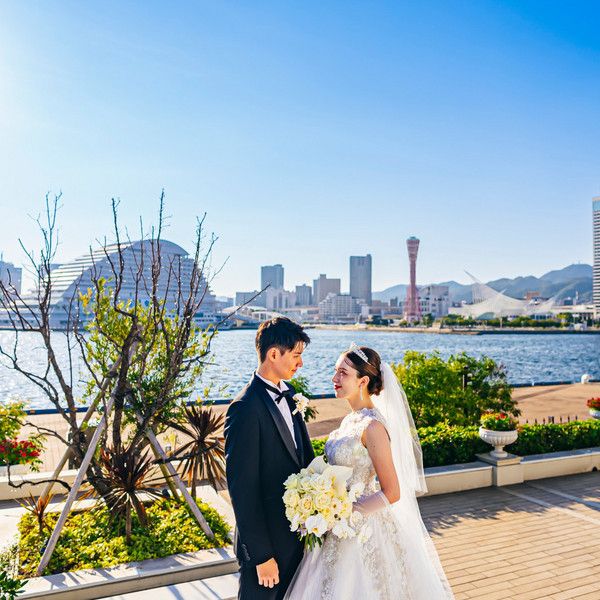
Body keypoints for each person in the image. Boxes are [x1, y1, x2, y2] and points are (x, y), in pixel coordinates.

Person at [284, 344, 455, 600]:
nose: (334, 378)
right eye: (335, 371)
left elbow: (392, 492)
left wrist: (343, 512)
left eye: (343, 373)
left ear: (363, 381)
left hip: (362, 529)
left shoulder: (373, 427)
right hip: (337, 524)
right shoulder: (350, 420)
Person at [225, 317, 315, 600]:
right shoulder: (244, 408)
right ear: (274, 354)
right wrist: (261, 555)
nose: (300, 363)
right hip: (266, 552)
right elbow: (242, 489)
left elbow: (304, 460)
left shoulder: (290, 396)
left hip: (298, 539)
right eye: (296, 355)